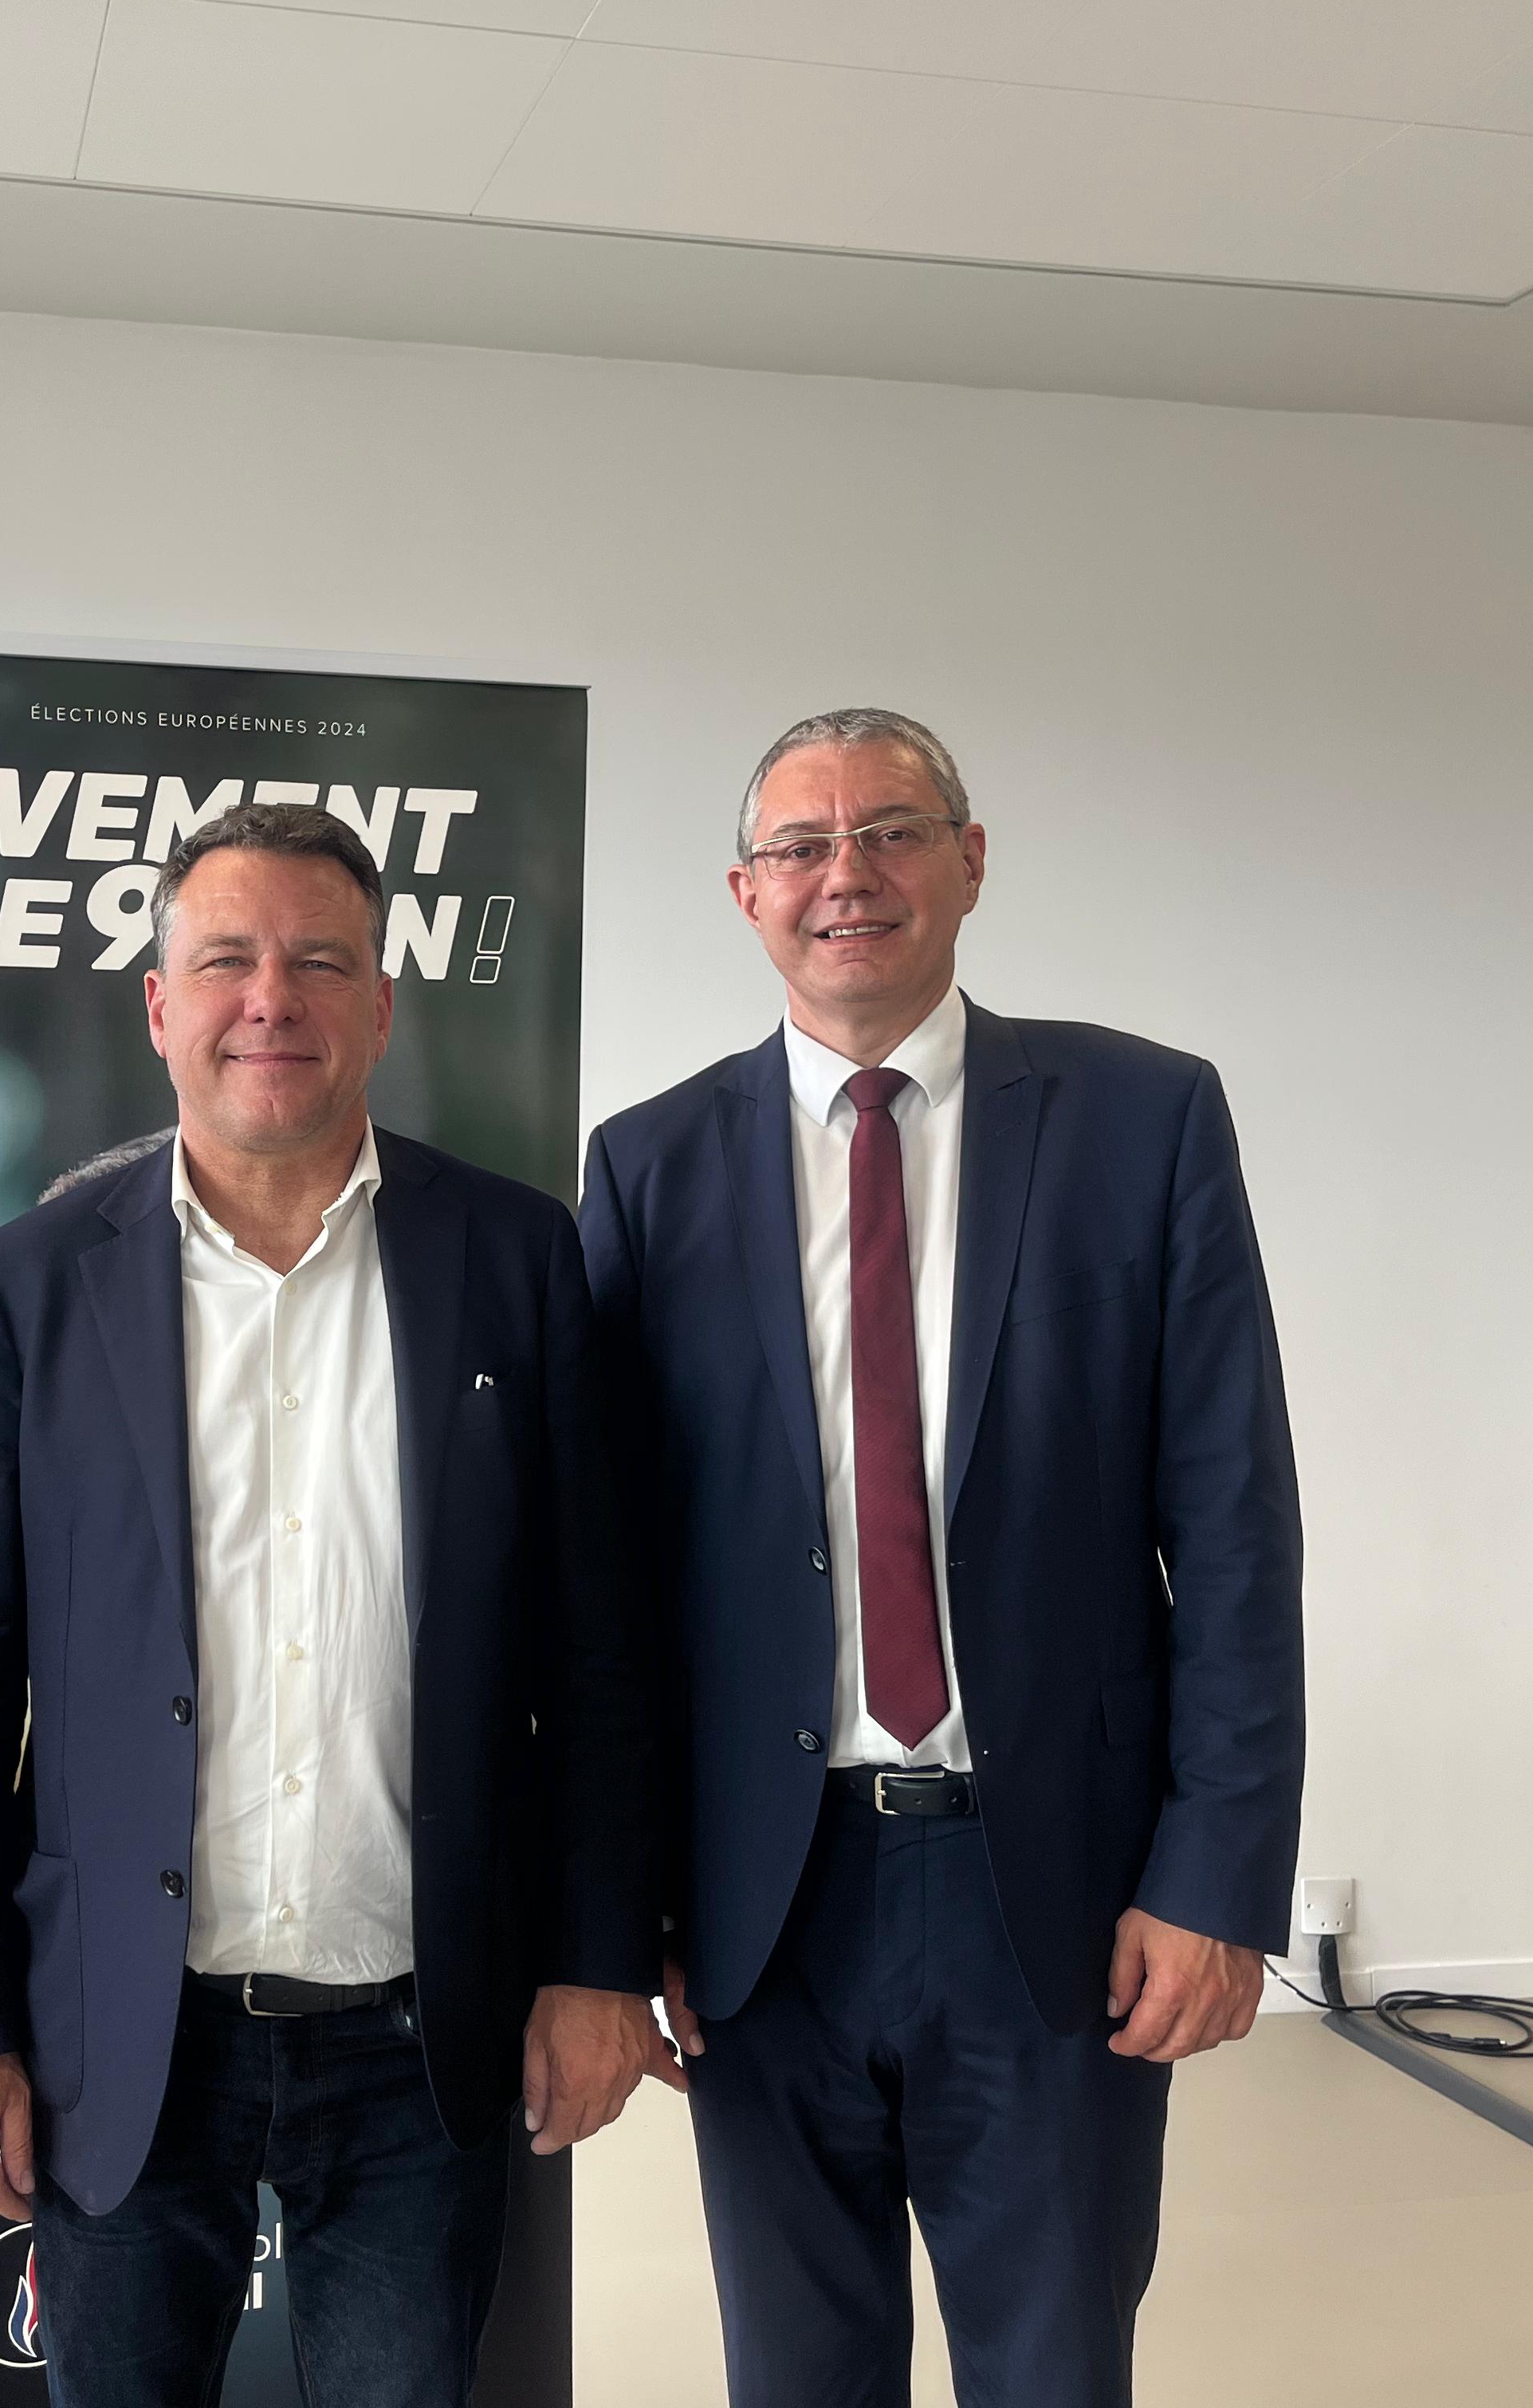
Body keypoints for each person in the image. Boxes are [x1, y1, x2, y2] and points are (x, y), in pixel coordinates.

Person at [0, 802, 664, 2407]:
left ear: (381, 1005)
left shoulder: (516, 1258)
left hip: (420, 2034)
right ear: (158, 1005)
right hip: (119, 2033)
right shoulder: (29, 1284)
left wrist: (602, 1965)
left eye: (319, 962)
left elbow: (599, 1654)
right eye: (226, 960)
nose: (271, 999)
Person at [580, 710, 1304, 2408]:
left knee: (1054, 2367)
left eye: (893, 832)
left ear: (970, 863)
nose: (849, 875)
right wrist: (619, 1916)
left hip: (1052, 1884)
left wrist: (1215, 1876)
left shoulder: (1143, 1119)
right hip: (764, 1902)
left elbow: (1236, 1529)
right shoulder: (648, 1167)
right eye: (803, 846)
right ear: (747, 893)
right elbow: (607, 1594)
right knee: (798, 2375)